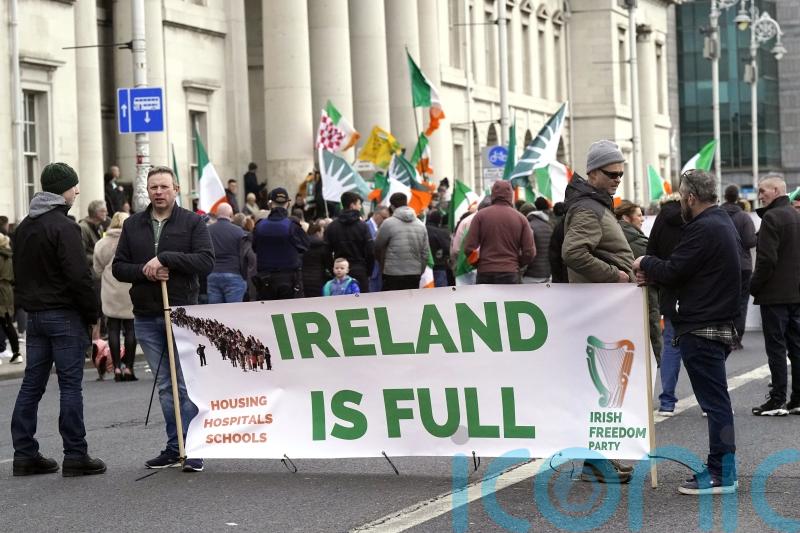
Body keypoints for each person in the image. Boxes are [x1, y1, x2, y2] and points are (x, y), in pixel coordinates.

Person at [634, 169, 740, 495]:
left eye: (682, 196)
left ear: (690, 197)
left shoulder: (704, 228)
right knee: (716, 399)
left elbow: (675, 268)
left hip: (702, 324)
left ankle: (722, 472)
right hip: (715, 320)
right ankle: (723, 468)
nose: (681, 201)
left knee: (715, 401)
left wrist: (644, 263)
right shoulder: (721, 223)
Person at [113, 165, 214, 472]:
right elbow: (119, 267)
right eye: (153, 187)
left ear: (176, 189)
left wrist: (168, 258)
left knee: (184, 384)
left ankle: (193, 446)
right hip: (146, 314)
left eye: (164, 187)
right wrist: (146, 270)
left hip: (181, 313)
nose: (158, 192)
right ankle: (174, 446)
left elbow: (206, 261)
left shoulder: (192, 223)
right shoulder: (133, 225)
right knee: (166, 387)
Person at [11, 162, 106, 477]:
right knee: (70, 386)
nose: (77, 191)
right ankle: (76, 455)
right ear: (62, 189)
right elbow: (79, 276)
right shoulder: (65, 227)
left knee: (31, 386)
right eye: (74, 186)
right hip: (65, 315)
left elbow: (19, 274)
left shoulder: (24, 226)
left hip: (34, 316)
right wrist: (92, 314)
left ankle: (25, 453)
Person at [562, 140, 635, 484]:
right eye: (611, 173)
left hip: (602, 305)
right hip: (597, 306)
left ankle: (599, 458)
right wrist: (617, 275)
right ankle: (594, 460)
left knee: (604, 388)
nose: (618, 179)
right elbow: (574, 253)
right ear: (592, 172)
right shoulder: (589, 207)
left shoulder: (594, 204)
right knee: (598, 388)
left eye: (621, 173)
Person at [749, 174, 800, 416]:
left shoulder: (771, 217)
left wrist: (754, 286)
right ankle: (797, 398)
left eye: (763, 190)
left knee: (776, 348)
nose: (760, 195)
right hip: (795, 294)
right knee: (796, 347)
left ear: (778, 190)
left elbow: (766, 259)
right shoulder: (795, 215)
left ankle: (777, 398)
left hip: (774, 294)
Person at [646, 194, 685, 416]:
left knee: (671, 345)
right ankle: (708, 402)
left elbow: (651, 252)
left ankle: (667, 401)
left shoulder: (661, 220)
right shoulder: (696, 217)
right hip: (698, 290)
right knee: (702, 346)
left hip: (670, 288)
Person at [614, 200, 662, 365]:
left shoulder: (618, 232)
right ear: (627, 218)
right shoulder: (633, 238)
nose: (642, 219)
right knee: (651, 328)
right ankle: (657, 361)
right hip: (643, 290)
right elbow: (652, 261)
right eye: (639, 215)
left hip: (626, 293)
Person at [93, 211, 137, 381]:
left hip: (110, 290)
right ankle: (129, 368)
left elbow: (97, 269)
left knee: (113, 328)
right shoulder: (133, 241)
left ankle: (117, 368)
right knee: (130, 329)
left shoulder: (102, 243)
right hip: (129, 289)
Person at [464, 180, 534, 284]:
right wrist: (516, 263)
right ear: (511, 195)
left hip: (485, 272)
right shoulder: (521, 218)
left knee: (487, 300)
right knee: (509, 300)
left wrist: (480, 263)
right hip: (511, 272)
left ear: (493, 194)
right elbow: (529, 252)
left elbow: (469, 248)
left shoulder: (480, 216)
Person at [252, 187, 309, 300]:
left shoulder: (259, 226)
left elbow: (254, 248)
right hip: (288, 281)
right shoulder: (292, 226)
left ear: (270, 203)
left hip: (265, 281)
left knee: (267, 316)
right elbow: (305, 246)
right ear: (288, 203)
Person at [721, 185, 757, 350]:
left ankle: (723, 335)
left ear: (725, 196)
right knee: (741, 302)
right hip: (743, 265)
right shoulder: (744, 217)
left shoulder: (716, 215)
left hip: (720, 266)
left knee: (722, 300)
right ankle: (736, 338)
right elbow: (750, 241)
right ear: (737, 198)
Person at [374, 193, 430, 290]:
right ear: (406, 203)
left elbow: (377, 247)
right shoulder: (421, 225)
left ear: (392, 206)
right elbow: (425, 253)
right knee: (410, 304)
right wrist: (419, 271)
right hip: (414, 273)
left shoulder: (388, 223)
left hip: (392, 273)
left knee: (392, 303)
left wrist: (383, 266)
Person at [324, 191, 374, 292]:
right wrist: (368, 271)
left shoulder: (332, 227)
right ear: (352, 205)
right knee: (362, 304)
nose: (360, 207)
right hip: (360, 271)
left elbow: (326, 252)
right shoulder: (363, 226)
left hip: (340, 273)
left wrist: (334, 269)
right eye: (359, 204)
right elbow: (370, 251)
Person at [207, 203, 250, 304]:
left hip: (213, 274)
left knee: (215, 315)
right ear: (231, 214)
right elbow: (244, 254)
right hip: (234, 274)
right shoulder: (238, 231)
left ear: (217, 214)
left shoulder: (208, 230)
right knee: (233, 314)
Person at [0, 233, 22, 364]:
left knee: (3, 322)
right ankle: (16, 352)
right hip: (7, 290)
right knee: (7, 322)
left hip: (1, 289)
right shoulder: (9, 255)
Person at [521, 201, 552, 283]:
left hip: (531, 275)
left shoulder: (529, 226)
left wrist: (520, 270)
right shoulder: (548, 226)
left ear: (524, 213)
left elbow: (527, 252)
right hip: (546, 274)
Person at [302, 222, 333, 298]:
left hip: (303, 279)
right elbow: (329, 264)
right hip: (319, 279)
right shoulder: (323, 246)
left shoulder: (302, 244)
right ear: (318, 232)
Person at [425, 210, 451, 287]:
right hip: (439, 265)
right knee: (440, 294)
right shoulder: (442, 232)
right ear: (439, 220)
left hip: (424, 268)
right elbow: (447, 248)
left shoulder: (422, 229)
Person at [367, 207, 390, 292]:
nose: (385, 221)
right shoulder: (366, 226)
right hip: (371, 269)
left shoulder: (384, 228)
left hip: (382, 270)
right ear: (376, 215)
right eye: (384, 218)